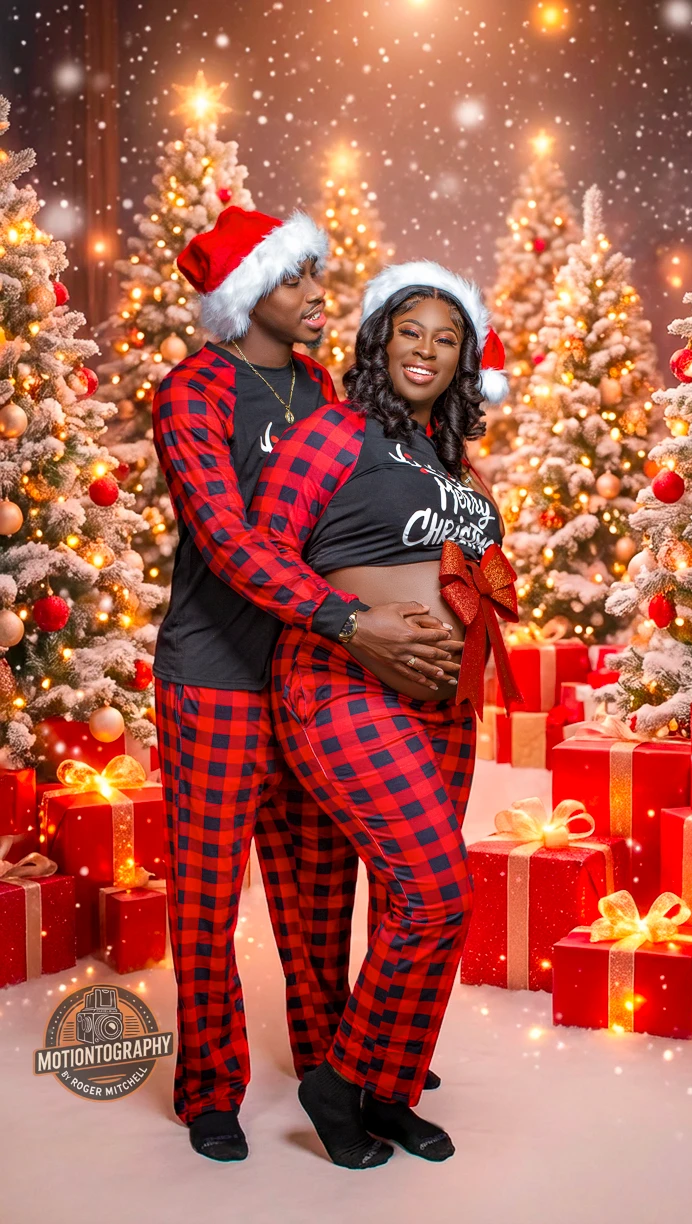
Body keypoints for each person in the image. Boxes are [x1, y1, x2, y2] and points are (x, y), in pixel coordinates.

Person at [152, 211, 462, 1163]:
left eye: (319, 276)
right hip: (215, 674)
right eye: (298, 280)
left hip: (316, 680)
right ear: (250, 293)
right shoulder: (191, 393)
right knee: (209, 895)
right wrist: (349, 620)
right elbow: (230, 540)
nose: (321, 295)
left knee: (316, 889)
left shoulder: (327, 389)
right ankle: (210, 1087)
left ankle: (338, 1062)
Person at [249, 260, 521, 1169]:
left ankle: (388, 1093)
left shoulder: (453, 459)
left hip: (443, 706)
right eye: (413, 331)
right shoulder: (334, 432)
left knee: (432, 906)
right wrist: (359, 622)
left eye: (449, 340)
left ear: (462, 362)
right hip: (341, 681)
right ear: (379, 340)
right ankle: (338, 1080)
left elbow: (478, 568)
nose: (429, 349)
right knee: (438, 885)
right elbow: (263, 551)